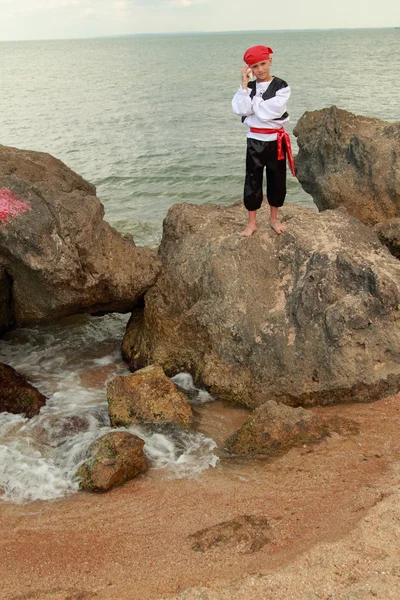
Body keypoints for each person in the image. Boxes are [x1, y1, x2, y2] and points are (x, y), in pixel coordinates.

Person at [232, 45, 295, 236]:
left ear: (270, 62)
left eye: (263, 64)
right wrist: (244, 86)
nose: (260, 69)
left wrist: (255, 104)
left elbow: (271, 111)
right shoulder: (247, 88)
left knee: (277, 180)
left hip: (276, 141)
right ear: (249, 69)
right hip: (255, 140)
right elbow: (241, 109)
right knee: (253, 180)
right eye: (255, 66)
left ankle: (273, 219)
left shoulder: (282, 86)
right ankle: (251, 223)